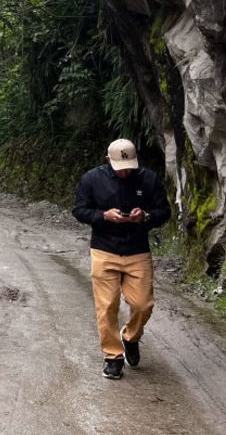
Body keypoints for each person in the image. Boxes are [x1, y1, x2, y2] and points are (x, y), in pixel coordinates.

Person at [71, 138, 171, 380]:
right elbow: (79, 210)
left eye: (129, 167)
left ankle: (130, 337)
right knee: (107, 306)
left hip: (138, 250)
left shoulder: (148, 179)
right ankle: (113, 357)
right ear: (108, 160)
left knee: (143, 305)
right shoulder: (92, 179)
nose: (125, 172)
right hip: (104, 250)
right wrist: (103, 215)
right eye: (120, 167)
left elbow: (164, 212)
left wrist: (144, 216)